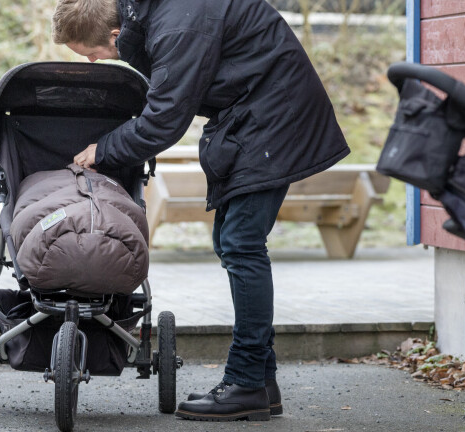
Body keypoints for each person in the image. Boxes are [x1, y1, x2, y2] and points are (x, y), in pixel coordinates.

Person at [51, 0, 350, 422]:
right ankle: (262, 383)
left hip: (273, 116)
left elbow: (165, 118)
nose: (95, 62)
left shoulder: (177, 25)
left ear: (114, 36)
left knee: (242, 244)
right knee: (231, 241)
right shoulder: (164, 15)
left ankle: (245, 383)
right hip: (255, 112)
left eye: (91, 54)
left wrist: (104, 149)